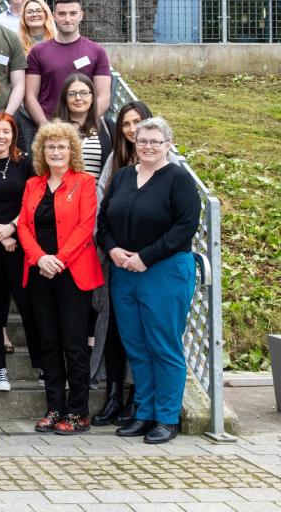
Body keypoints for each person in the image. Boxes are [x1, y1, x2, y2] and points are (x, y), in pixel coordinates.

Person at [97, 116, 199, 445]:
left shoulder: (178, 180)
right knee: (137, 346)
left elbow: (185, 227)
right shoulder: (125, 176)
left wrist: (146, 257)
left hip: (164, 271)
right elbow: (104, 219)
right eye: (143, 141)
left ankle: (166, 417)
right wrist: (111, 249)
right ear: (134, 144)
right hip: (124, 272)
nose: (149, 147)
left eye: (156, 141)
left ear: (168, 144)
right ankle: (144, 412)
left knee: (163, 346)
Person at [19, 121, 103, 435]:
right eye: (50, 146)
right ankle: (55, 408)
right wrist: (40, 257)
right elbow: (24, 227)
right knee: (49, 343)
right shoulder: (33, 185)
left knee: (74, 344)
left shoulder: (84, 183)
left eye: (62, 146)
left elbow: (85, 227)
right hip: (40, 272)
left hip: (73, 273)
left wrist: (58, 260)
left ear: (72, 151)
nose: (56, 151)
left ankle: (78, 412)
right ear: (42, 151)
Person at [91, 101, 169, 426]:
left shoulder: (167, 169)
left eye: (139, 123)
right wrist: (108, 245)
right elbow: (101, 203)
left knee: (144, 333)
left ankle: (141, 401)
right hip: (114, 257)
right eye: (126, 123)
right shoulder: (116, 163)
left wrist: (144, 254)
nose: (133, 129)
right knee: (114, 331)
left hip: (150, 262)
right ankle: (113, 395)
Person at [0, 112, 39, 394]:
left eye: (6, 131)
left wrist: (12, 228)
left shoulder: (25, 163)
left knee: (30, 306)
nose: (1, 137)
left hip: (21, 241)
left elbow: (33, 201)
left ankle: (42, 366)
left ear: (14, 134)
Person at [25, 0, 113, 132]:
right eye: (62, 14)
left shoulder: (97, 51)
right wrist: (47, 128)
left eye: (73, 13)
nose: (67, 19)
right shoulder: (38, 52)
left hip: (85, 131)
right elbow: (30, 97)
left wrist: (82, 125)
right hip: (49, 129)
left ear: (81, 15)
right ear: (54, 16)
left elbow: (104, 96)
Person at [54, 73, 112, 178]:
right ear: (64, 99)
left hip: (97, 193)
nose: (78, 98)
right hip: (62, 192)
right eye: (72, 94)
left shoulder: (108, 127)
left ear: (93, 97)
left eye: (84, 93)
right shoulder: (53, 129)